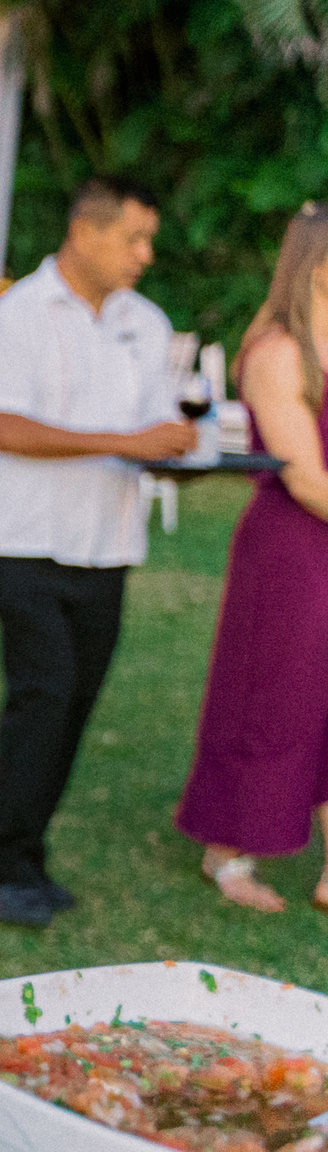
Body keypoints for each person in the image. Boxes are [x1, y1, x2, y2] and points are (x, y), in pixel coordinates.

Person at [0, 176, 195, 928]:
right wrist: (125, 443)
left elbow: (155, 425)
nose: (145, 255)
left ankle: (29, 852)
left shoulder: (147, 324)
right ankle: (10, 864)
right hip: (24, 537)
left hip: (109, 541)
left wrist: (173, 449)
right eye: (133, 238)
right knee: (45, 690)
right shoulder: (17, 316)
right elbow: (10, 430)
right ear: (84, 231)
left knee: (77, 701)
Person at [175, 204, 328, 912]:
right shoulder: (277, 350)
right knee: (275, 695)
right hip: (294, 548)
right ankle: (227, 851)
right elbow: (304, 476)